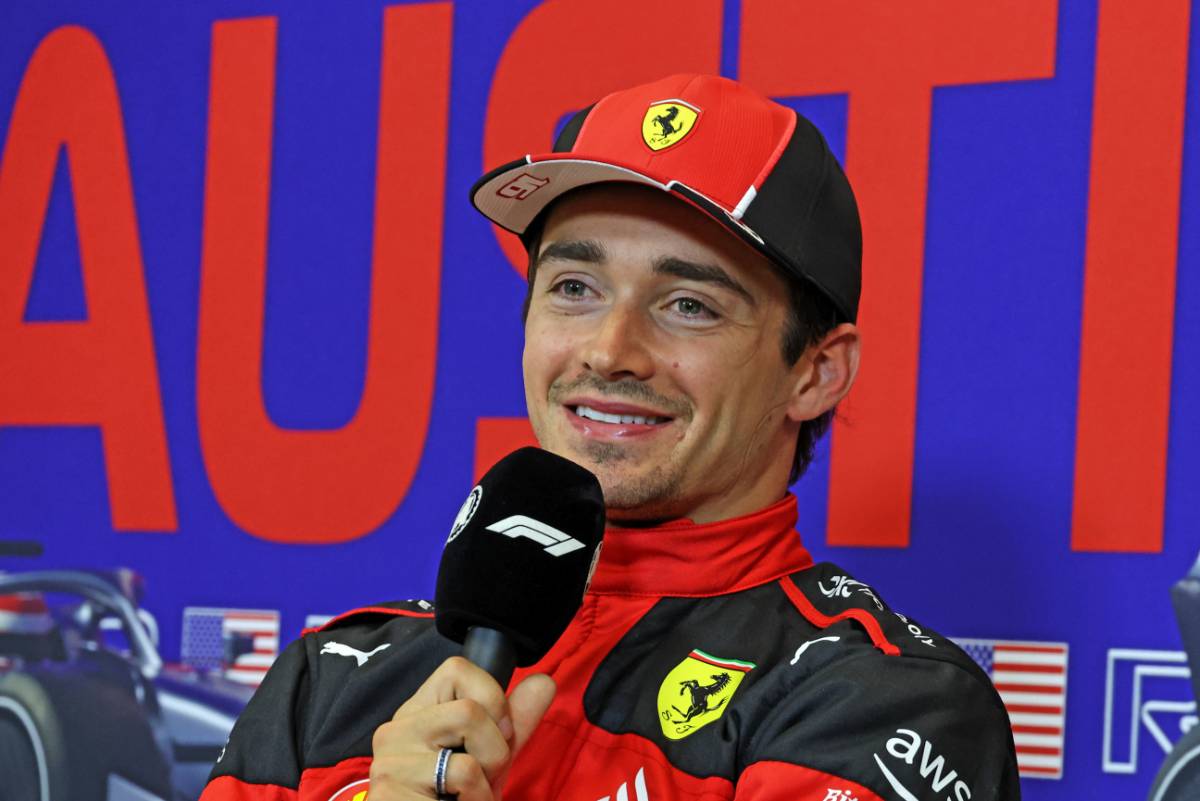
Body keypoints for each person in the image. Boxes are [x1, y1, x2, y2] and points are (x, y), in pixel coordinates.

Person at [201, 74, 1019, 801]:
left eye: (688, 304)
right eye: (575, 287)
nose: (608, 350)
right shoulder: (332, 678)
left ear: (816, 373)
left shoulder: (884, 702)